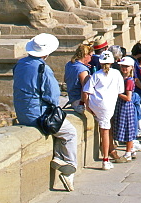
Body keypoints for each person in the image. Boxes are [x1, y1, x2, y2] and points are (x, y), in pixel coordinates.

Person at [13, 33, 78, 190]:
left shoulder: (20, 64)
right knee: (70, 132)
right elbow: (53, 96)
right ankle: (69, 169)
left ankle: (58, 157)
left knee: (59, 130)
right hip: (38, 116)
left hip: (22, 114)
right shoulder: (43, 68)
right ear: (47, 52)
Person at [83, 49, 123, 169]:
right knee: (105, 132)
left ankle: (106, 157)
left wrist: (88, 107)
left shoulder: (96, 75)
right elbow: (120, 91)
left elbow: (86, 92)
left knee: (105, 130)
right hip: (109, 106)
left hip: (97, 105)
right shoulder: (117, 74)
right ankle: (105, 160)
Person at [114, 56, 141, 159]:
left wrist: (116, 93)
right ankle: (131, 150)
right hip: (122, 106)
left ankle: (128, 152)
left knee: (128, 130)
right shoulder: (124, 78)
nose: (124, 68)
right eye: (122, 66)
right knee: (126, 128)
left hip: (126, 107)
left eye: (126, 66)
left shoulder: (129, 81)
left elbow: (128, 97)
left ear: (131, 67)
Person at [63, 42, 92, 114]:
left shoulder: (69, 64)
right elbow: (85, 89)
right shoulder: (82, 70)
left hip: (72, 98)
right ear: (86, 55)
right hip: (79, 100)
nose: (91, 58)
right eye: (90, 56)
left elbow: (65, 79)